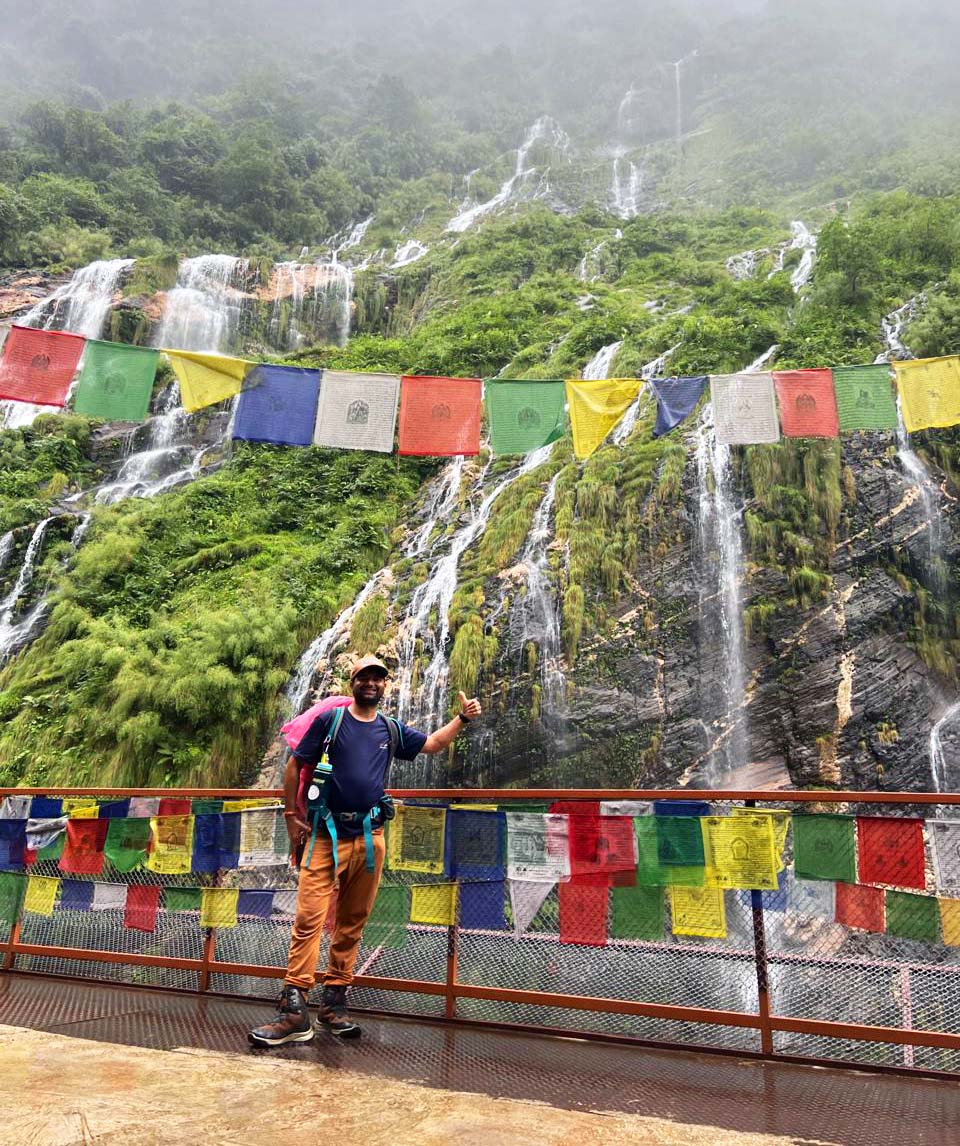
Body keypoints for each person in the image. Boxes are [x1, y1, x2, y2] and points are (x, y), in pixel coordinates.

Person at [249, 654, 481, 1046]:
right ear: (352, 682)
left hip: (370, 838)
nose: (371, 684)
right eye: (364, 678)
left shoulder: (389, 729)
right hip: (324, 836)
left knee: (352, 922)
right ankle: (293, 1010)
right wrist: (291, 815)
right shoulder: (331, 721)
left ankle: (333, 1005)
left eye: (378, 679)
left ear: (385, 685)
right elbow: (294, 765)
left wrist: (464, 718)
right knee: (308, 919)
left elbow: (435, 744)